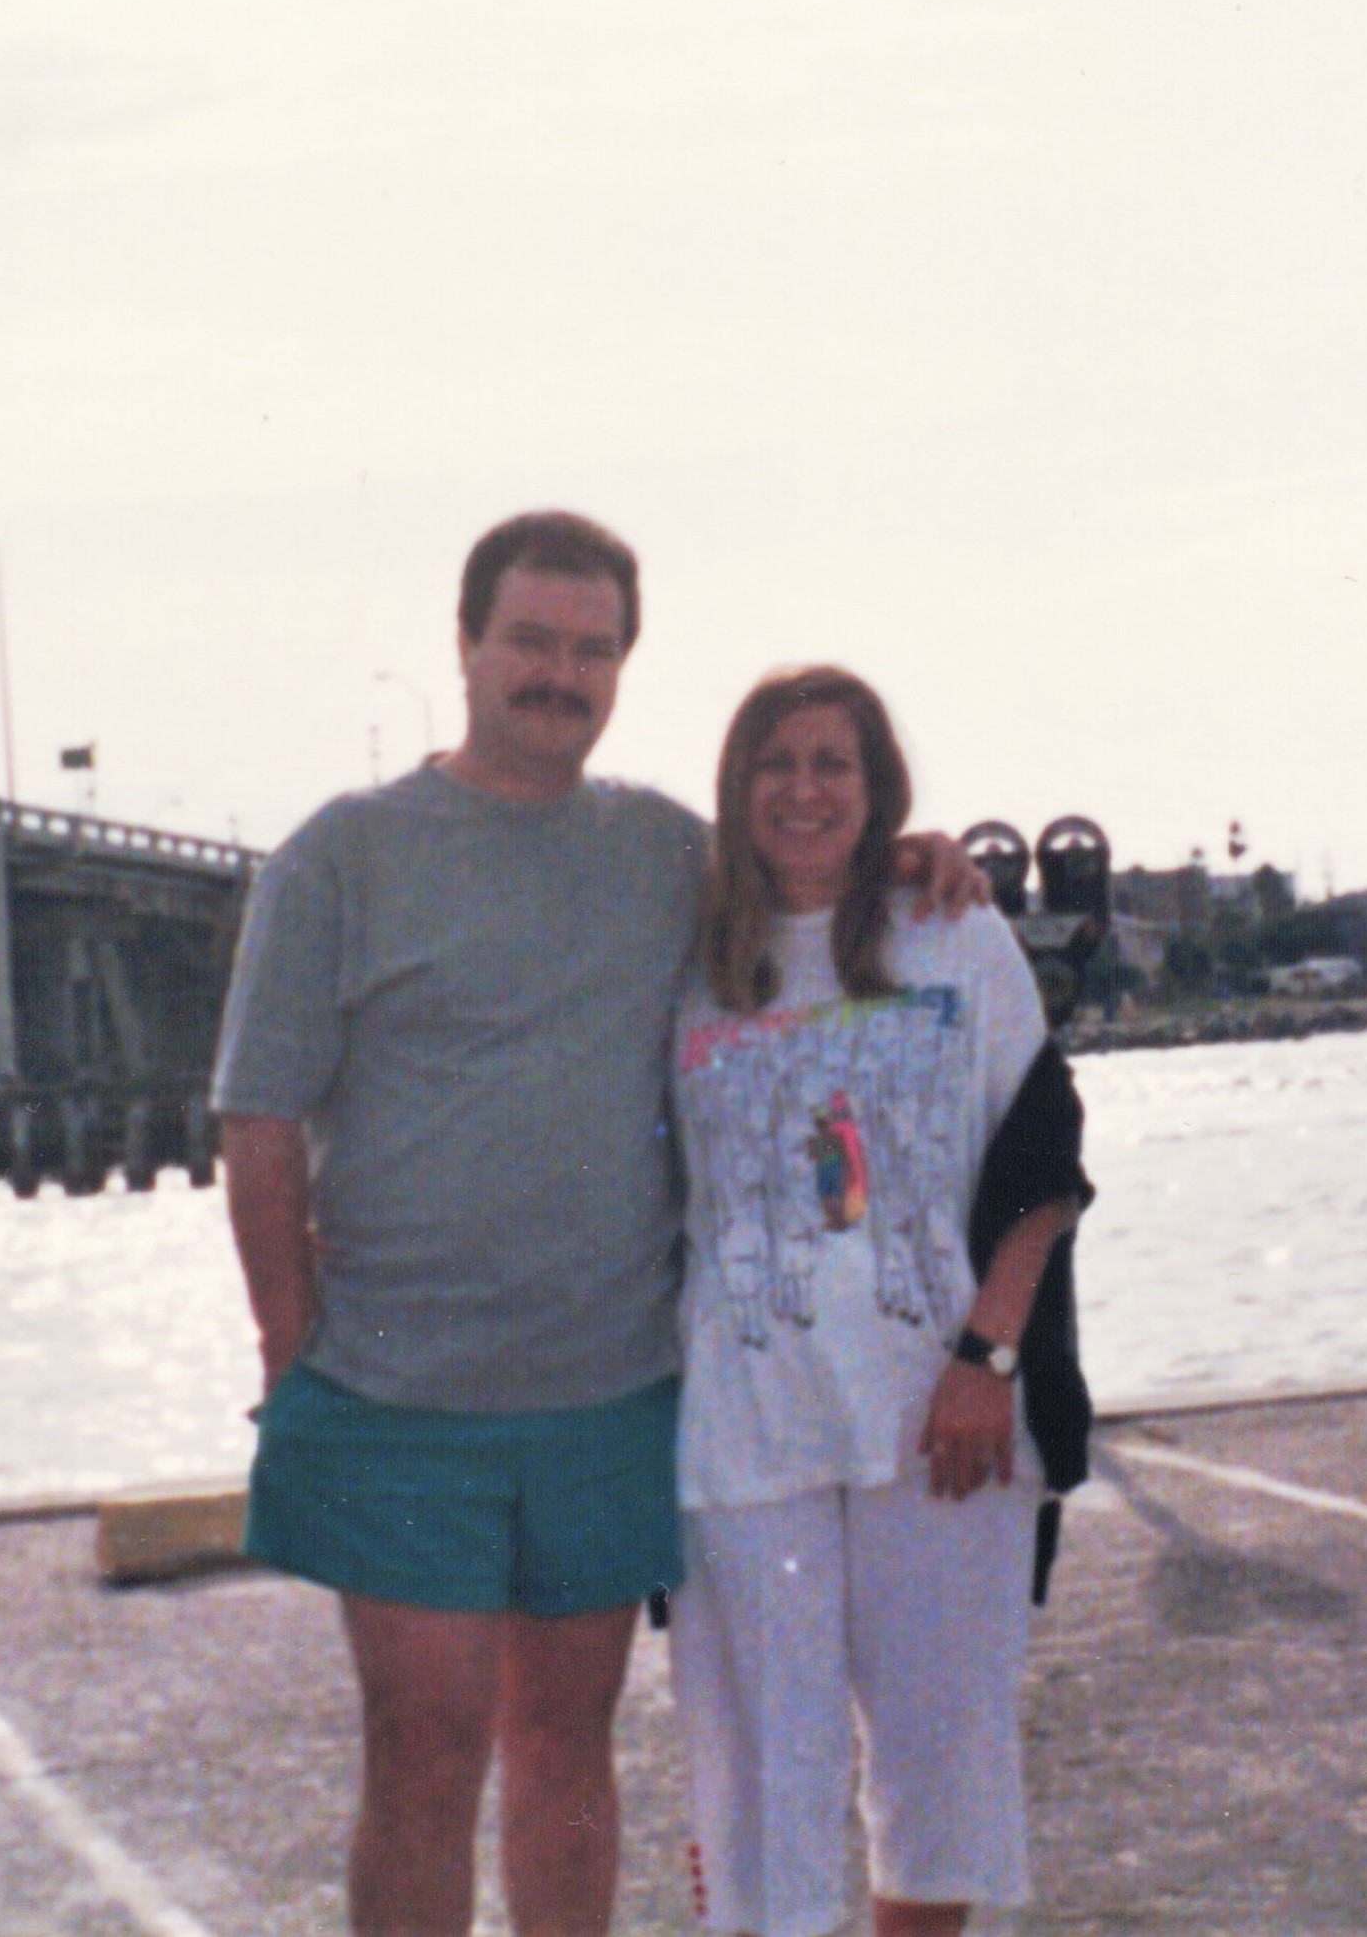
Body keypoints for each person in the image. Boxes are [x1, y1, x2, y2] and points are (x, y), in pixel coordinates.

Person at [213, 515, 985, 1937]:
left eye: (592, 647)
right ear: (465, 644)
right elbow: (257, 1129)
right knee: (423, 1747)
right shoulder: (339, 856)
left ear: (624, 663)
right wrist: (291, 1351)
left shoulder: (662, 854)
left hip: (611, 1392)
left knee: (565, 1751)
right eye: (531, 640)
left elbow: (807, 870)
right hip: (397, 1396)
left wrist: (915, 856)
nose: (559, 674)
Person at [669, 666, 1091, 1937]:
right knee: (761, 1781)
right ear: (737, 788)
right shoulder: (681, 957)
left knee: (938, 1769)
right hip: (746, 1435)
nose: (803, 789)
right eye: (776, 762)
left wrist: (988, 1359)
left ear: (878, 787)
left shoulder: (958, 937)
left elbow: (1042, 1170)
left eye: (832, 764)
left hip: (941, 1420)